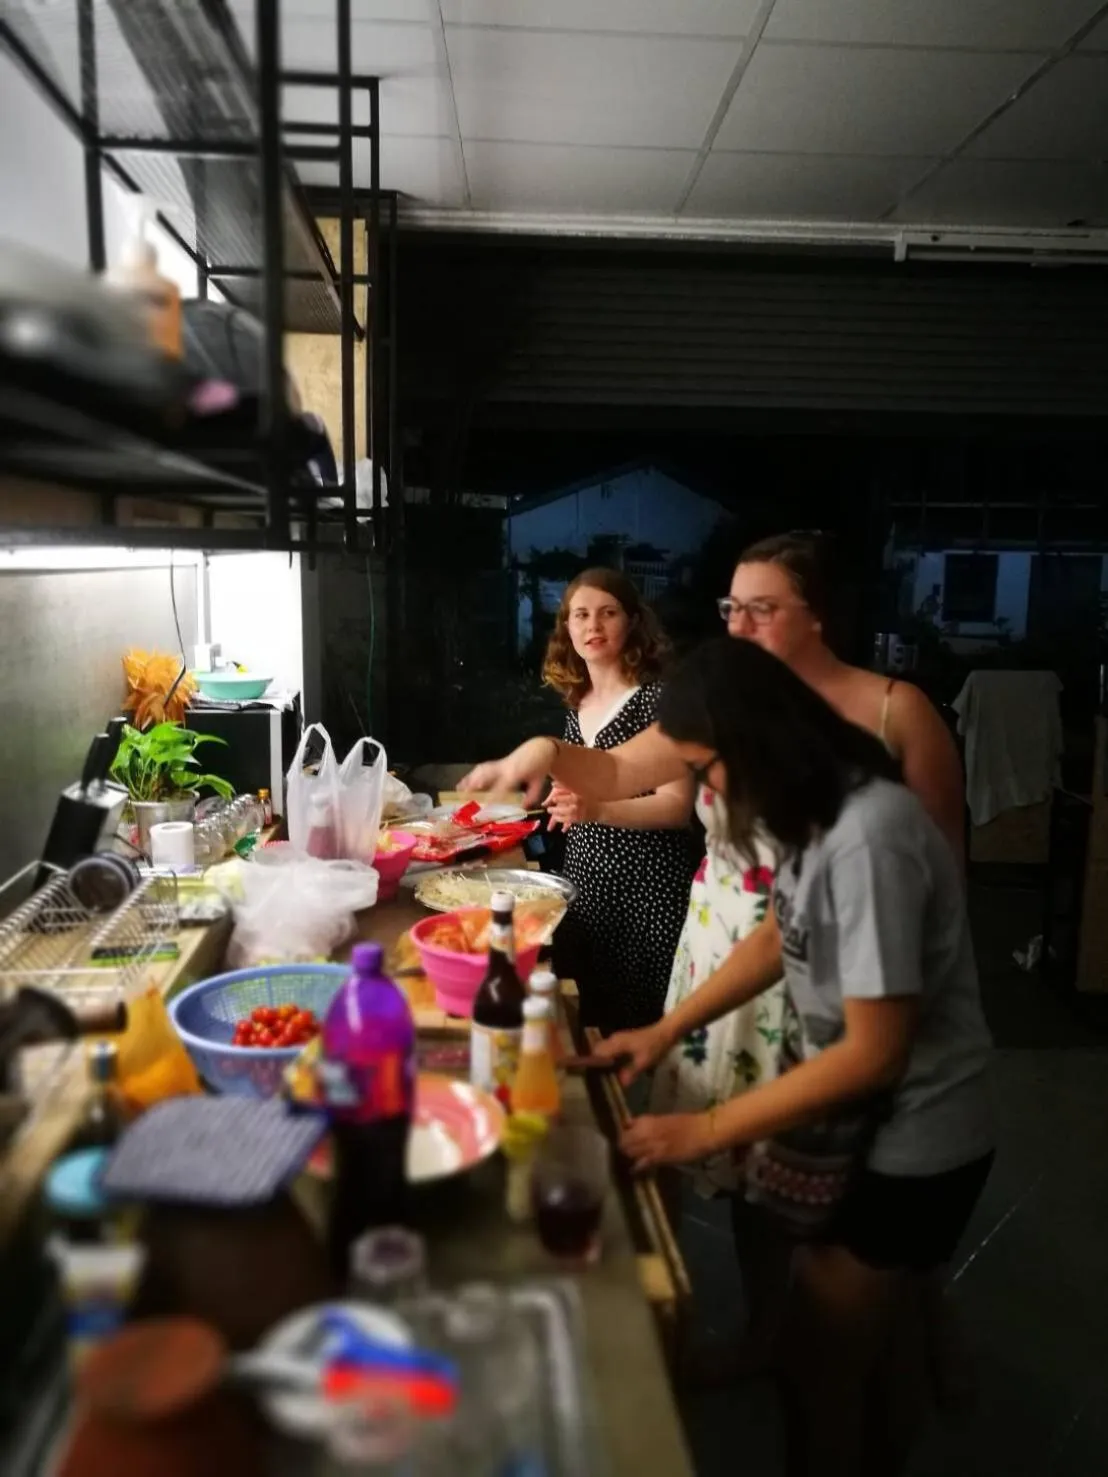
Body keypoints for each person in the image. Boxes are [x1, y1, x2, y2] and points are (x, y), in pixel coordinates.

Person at [599, 638, 994, 1477]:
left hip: (918, 1132)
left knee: (823, 1363)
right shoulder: (814, 807)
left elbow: (875, 1054)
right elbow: (780, 934)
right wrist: (666, 1031)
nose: (706, 790)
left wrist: (702, 1128)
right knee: (862, 1341)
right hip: (874, 1116)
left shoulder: (869, 834)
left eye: (705, 767)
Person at [540, 569, 697, 1033]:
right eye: (581, 615)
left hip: (649, 890)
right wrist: (566, 795)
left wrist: (596, 809)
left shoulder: (659, 701)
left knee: (641, 1029)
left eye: (608, 613)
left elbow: (676, 807)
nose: (593, 625)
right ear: (567, 628)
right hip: (586, 885)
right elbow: (587, 789)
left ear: (632, 621)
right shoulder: (578, 703)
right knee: (586, 1021)